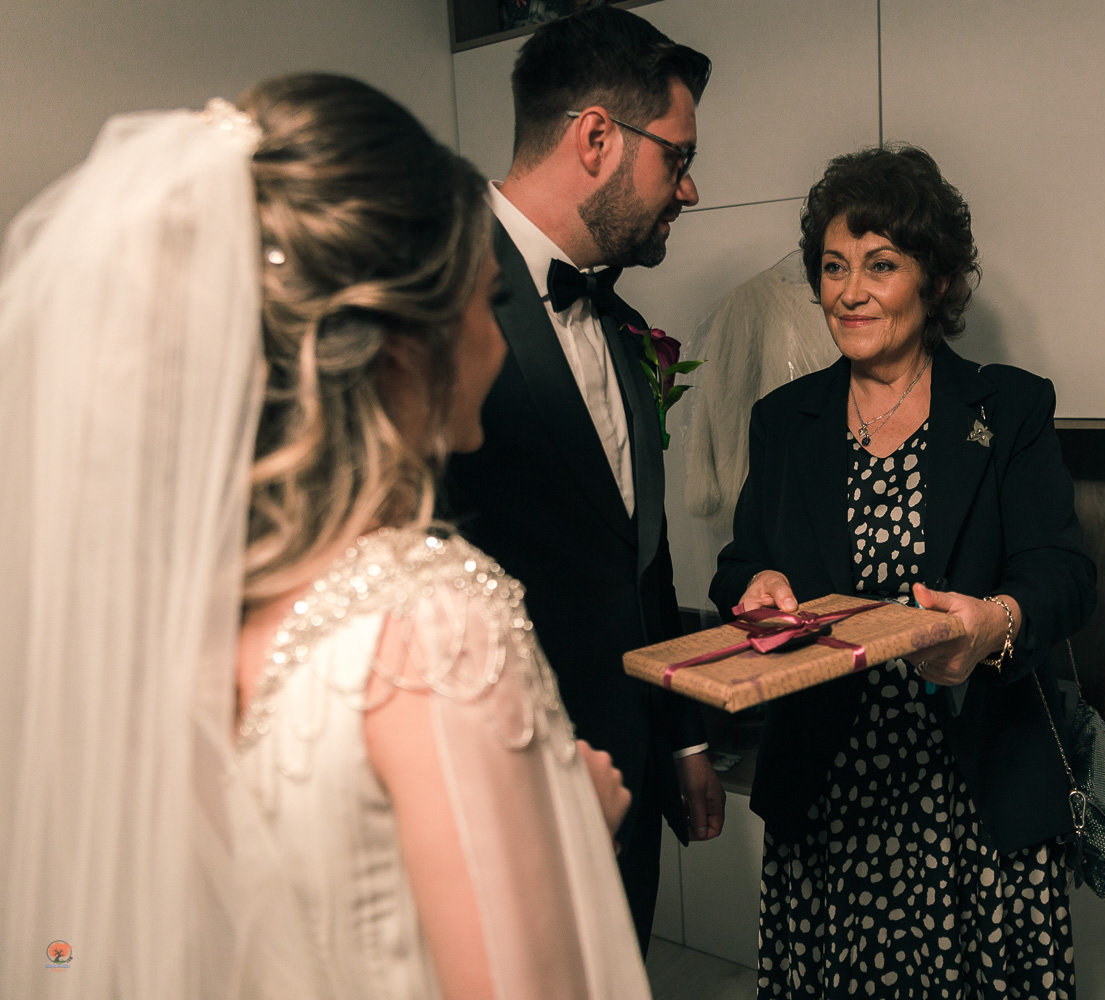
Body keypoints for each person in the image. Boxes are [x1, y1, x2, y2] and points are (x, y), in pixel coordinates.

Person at [0, 74, 650, 1000]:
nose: (501, 344)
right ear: (405, 341)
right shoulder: (433, 628)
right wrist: (569, 826)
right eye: (485, 300)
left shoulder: (182, 615)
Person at [709, 145, 1098, 999]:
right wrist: (756, 585)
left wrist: (992, 624)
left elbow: (1065, 572)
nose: (850, 291)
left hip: (974, 795)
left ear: (937, 279)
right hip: (830, 796)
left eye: (880, 265)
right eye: (834, 266)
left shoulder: (1009, 406)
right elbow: (741, 560)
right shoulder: (785, 420)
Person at [444, 4, 725, 949]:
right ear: (597, 138)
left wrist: (681, 737)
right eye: (677, 158)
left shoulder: (619, 323)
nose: (690, 190)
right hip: (497, 796)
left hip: (631, 782)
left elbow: (641, 558)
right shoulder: (434, 299)